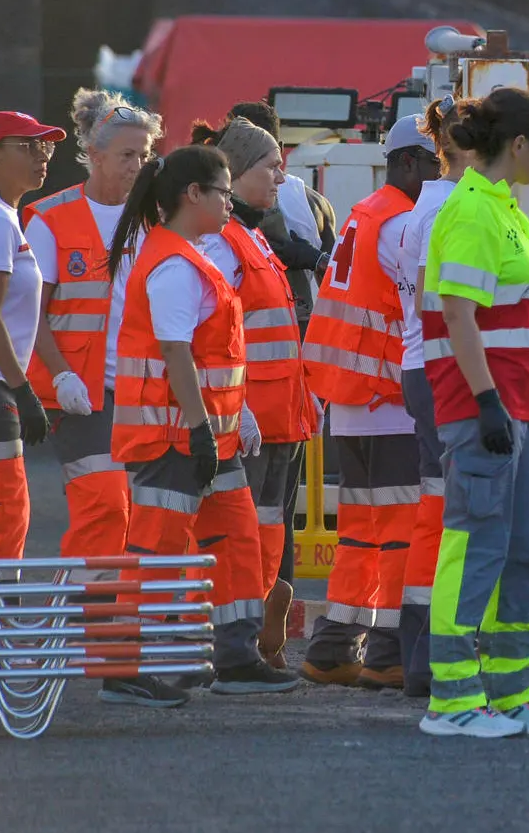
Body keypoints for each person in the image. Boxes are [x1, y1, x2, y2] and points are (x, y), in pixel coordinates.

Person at [107, 144, 300, 703]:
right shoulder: (173, 264)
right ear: (194, 195)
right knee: (155, 546)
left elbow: (210, 359)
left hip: (207, 436)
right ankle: (123, 664)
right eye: (221, 191)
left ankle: (236, 655)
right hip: (175, 438)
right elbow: (176, 353)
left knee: (237, 539)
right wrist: (199, 430)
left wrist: (231, 423)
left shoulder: (189, 256)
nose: (228, 201)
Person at [418, 88, 529, 738]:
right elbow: (457, 315)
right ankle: (452, 702)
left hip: (522, 409)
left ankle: (509, 695)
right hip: (489, 410)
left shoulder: (502, 210)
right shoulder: (474, 212)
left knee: (521, 553)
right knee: (477, 548)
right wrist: (485, 402)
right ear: (522, 145)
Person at [298, 117, 437, 689]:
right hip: (390, 396)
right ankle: (388, 652)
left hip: (354, 401)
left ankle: (333, 646)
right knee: (403, 530)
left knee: (361, 534)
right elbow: (417, 310)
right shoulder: (403, 222)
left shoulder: (367, 212)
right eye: (436, 163)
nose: (441, 174)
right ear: (408, 162)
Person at [190, 118, 319, 670]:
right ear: (237, 174)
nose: (280, 174)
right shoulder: (224, 242)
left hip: (278, 417)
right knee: (244, 537)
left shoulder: (254, 235)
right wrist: (236, 410)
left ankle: (257, 642)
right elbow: (208, 333)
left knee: (266, 533)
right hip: (250, 421)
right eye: (270, 165)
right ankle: (233, 647)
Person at [20, 93, 157, 564]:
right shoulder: (51, 220)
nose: (137, 164)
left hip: (145, 390)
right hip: (81, 394)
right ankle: (95, 628)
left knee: (146, 516)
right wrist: (61, 374)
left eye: (144, 154)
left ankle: (114, 622)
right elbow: (31, 313)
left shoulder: (154, 219)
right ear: (94, 155)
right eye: (127, 155)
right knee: (104, 504)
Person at [396, 98, 467, 700]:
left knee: (438, 510)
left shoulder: (429, 208)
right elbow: (439, 304)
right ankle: (426, 654)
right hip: (442, 371)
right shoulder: (448, 211)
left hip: (426, 368)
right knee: (449, 514)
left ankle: (421, 651)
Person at [0, 111, 61, 558]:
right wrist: (23, 389)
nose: (41, 156)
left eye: (46, 147)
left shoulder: (2, 216)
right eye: (27, 146)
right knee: (4, 516)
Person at [227, 100, 335, 335]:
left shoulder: (208, 206)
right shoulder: (313, 203)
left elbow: (339, 279)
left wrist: (314, 258)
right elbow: (335, 285)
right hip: (285, 328)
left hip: (271, 332)